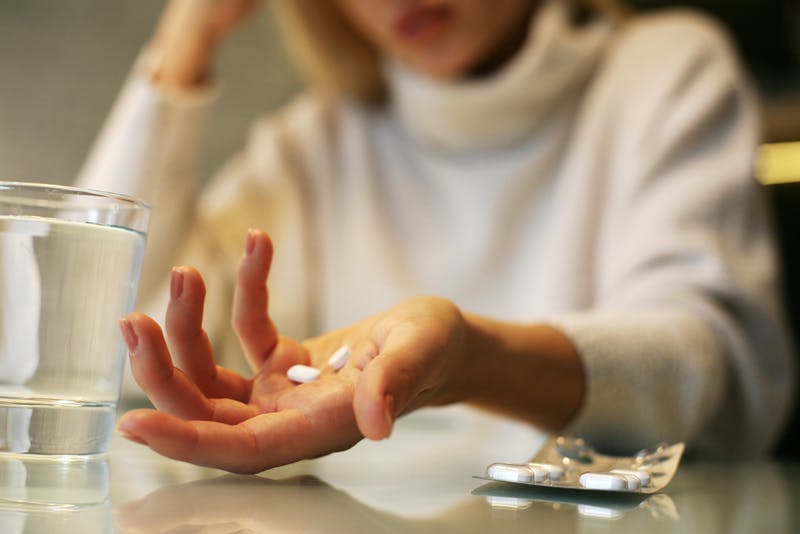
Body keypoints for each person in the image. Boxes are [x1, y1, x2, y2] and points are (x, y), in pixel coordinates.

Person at [78, 0, 794, 474]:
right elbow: (101, 342)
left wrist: (472, 359)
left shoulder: (663, 72)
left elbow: (713, 370)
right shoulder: (317, 144)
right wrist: (184, 39)